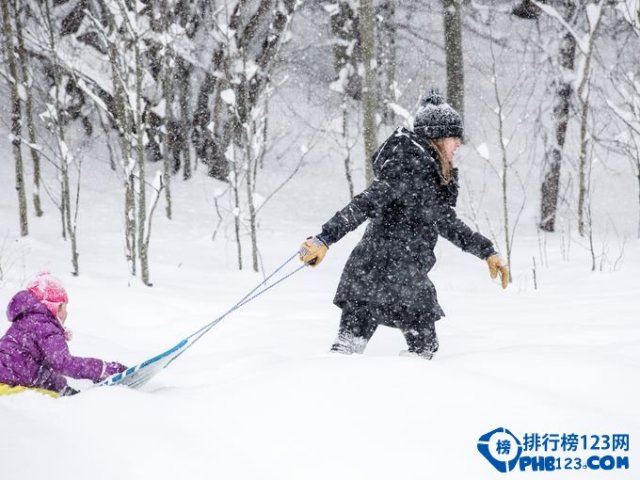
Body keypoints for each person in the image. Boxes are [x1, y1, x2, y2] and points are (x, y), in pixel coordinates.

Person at [299, 90, 509, 360]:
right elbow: (366, 202)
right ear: (437, 137)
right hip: (400, 279)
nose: (458, 144)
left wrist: (487, 251)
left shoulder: (421, 169)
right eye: (453, 137)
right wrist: (324, 238)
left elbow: (444, 220)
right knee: (421, 354)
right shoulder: (409, 168)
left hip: (370, 275)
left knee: (347, 351)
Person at [0, 272, 127, 397]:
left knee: (57, 397)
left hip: (7, 383)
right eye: (65, 307)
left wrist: (64, 389)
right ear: (56, 307)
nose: (66, 313)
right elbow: (63, 363)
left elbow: (38, 372)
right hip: (11, 389)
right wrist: (103, 370)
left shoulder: (27, 322)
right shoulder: (45, 326)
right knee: (60, 406)